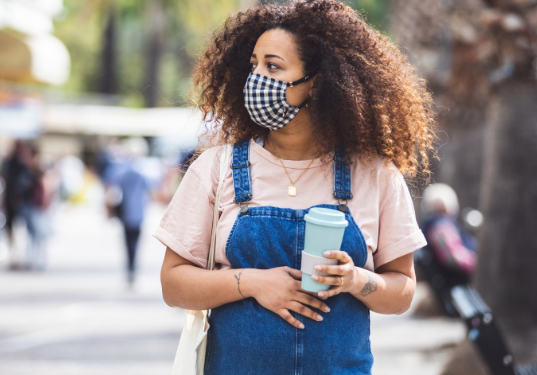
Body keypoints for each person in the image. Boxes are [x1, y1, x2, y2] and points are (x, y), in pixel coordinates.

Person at [156, 1, 434, 372]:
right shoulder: (215, 168)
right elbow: (173, 284)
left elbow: (401, 293)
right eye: (253, 65)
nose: (257, 78)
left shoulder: (376, 175)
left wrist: (355, 279)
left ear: (316, 83)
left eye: (273, 66)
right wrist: (252, 282)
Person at [108, 138, 151, 287]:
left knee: (128, 243)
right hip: (138, 212)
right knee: (135, 243)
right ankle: (132, 269)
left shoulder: (122, 168)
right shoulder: (143, 169)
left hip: (127, 212)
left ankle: (130, 269)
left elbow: (113, 189)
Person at [420, 183, 477, 283]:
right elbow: (454, 258)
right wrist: (478, 264)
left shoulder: (432, 224)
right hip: (450, 285)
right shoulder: (441, 226)